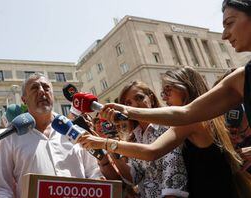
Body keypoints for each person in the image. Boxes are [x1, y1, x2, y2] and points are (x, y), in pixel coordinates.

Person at [79, 67, 250, 198]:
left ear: (186, 86)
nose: (165, 96)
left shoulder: (192, 121)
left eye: (169, 90)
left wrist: (105, 142)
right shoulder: (191, 121)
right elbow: (136, 173)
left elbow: (153, 152)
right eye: (163, 92)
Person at [98, 0, 251, 128]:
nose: (224, 35)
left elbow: (153, 150)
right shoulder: (242, 77)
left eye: (230, 23)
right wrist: (126, 110)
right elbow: (186, 113)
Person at [0, 73, 102, 198]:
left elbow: (94, 172)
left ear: (53, 95)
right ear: (24, 100)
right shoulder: (11, 137)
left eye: (46, 87)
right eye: (34, 88)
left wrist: (100, 187)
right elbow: (1, 187)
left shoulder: (74, 130)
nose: (42, 91)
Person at [112, 81, 195, 198]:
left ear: (150, 97)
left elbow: (173, 168)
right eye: (128, 103)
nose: (134, 104)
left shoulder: (167, 125)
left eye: (139, 98)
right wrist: (111, 148)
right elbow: (134, 177)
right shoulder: (134, 137)